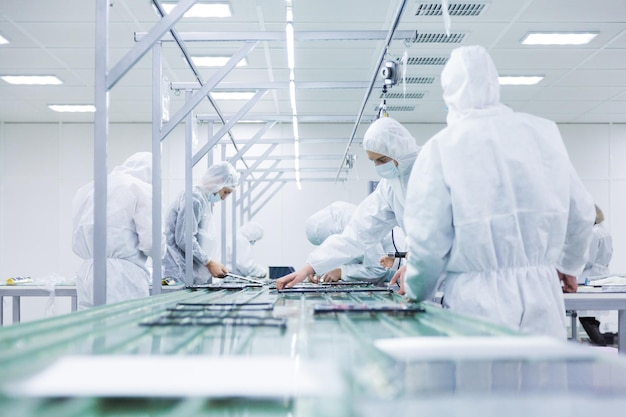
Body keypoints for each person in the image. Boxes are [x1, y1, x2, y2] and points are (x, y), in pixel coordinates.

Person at [396, 45, 595, 340]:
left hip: (475, 304)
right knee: (543, 383)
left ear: (449, 94)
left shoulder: (443, 147)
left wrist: (415, 292)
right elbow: (582, 213)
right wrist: (569, 265)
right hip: (543, 296)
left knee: (483, 384)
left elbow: (429, 241)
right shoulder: (543, 134)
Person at [276, 117, 419, 289]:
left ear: (398, 151)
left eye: (380, 160)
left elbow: (436, 229)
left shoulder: (429, 169)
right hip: (421, 272)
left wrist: (417, 262)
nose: (377, 166)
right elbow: (356, 234)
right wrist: (308, 268)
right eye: (372, 161)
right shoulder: (390, 185)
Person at [72, 152, 164, 309]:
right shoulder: (141, 188)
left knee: (90, 328)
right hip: (122, 277)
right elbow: (152, 245)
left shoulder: (90, 188)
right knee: (123, 329)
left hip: (88, 273)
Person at [162, 161, 239, 285]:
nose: (224, 198)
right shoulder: (194, 198)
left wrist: (211, 262)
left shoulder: (202, 199)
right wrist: (208, 262)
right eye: (226, 192)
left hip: (186, 271)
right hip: (177, 270)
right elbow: (185, 238)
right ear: (218, 181)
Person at [304, 201, 398, 286]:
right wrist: (318, 267)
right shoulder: (345, 224)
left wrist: (341, 272)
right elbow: (348, 257)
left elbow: (378, 269)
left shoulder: (361, 229)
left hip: (399, 276)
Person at [578, 205, 613, 345]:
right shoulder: (605, 231)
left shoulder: (593, 233)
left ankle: (600, 343)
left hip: (590, 275)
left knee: (585, 316)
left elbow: (588, 259)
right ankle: (599, 343)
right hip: (602, 273)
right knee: (593, 317)